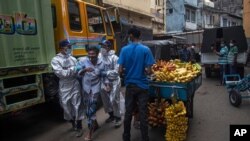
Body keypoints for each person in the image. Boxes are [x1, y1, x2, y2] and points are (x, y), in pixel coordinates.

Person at [118, 27, 155, 141]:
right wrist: (143, 70)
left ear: (131, 36)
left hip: (130, 85)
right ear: (139, 36)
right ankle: (145, 138)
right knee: (143, 114)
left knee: (128, 113)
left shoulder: (124, 50)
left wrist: (126, 71)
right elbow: (149, 71)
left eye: (129, 36)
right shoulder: (146, 50)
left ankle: (126, 137)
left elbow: (119, 70)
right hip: (142, 86)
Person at [51, 39, 84, 137]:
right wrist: (74, 69)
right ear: (61, 48)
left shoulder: (73, 59)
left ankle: (79, 126)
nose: (70, 48)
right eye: (68, 46)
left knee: (77, 105)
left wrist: (81, 71)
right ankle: (73, 122)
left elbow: (77, 72)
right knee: (66, 107)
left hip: (74, 84)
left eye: (70, 46)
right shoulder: (55, 60)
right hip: (64, 85)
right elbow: (61, 74)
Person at [77, 45, 103, 141]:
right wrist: (84, 70)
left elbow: (103, 75)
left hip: (95, 89)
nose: (91, 56)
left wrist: (107, 85)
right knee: (87, 108)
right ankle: (95, 124)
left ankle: (90, 133)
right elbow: (78, 72)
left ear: (97, 54)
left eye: (93, 54)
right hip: (86, 88)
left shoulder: (101, 63)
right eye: (89, 54)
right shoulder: (84, 61)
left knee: (90, 111)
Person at [99, 40, 122, 127]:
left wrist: (106, 73)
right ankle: (111, 115)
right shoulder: (100, 56)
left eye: (104, 46)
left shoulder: (115, 58)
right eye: (102, 46)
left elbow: (117, 71)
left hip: (114, 81)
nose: (102, 48)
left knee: (114, 100)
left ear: (109, 47)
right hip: (104, 82)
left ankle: (118, 118)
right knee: (106, 100)